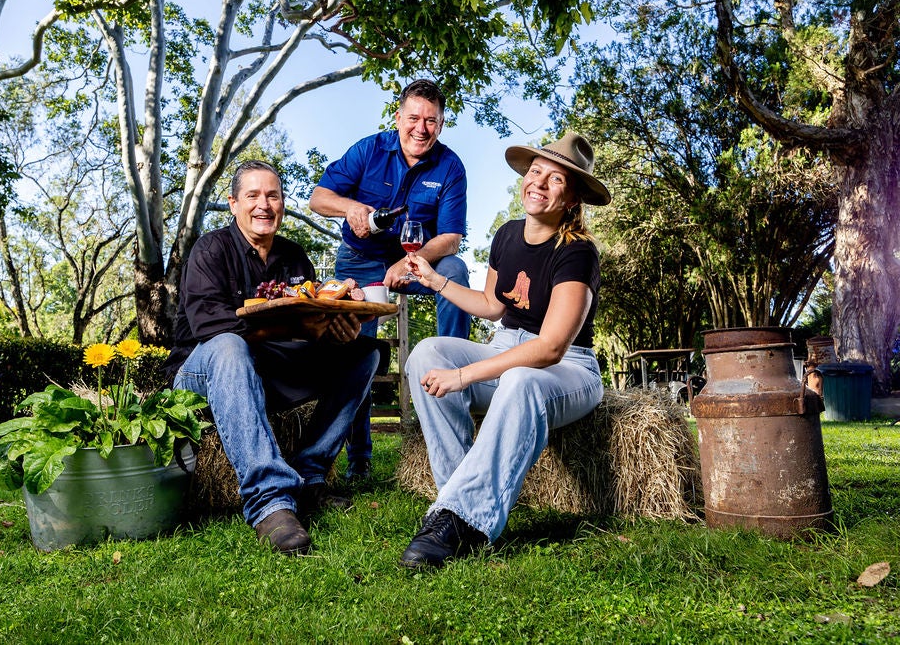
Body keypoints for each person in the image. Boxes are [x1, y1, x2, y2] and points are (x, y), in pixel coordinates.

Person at [397, 132, 611, 569]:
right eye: (536, 172)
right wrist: (436, 281)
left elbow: (550, 347)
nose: (539, 183)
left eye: (556, 180)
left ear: (572, 199)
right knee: (425, 353)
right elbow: (495, 307)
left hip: (568, 371)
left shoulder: (578, 252)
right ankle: (453, 507)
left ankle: (463, 520)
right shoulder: (507, 235)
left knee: (520, 379)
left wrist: (463, 377)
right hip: (507, 349)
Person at [162, 160, 379, 556]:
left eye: (273, 196)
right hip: (200, 374)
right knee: (230, 345)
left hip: (269, 371)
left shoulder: (295, 258)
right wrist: (299, 328)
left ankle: (310, 478)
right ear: (232, 204)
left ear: (282, 203)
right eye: (253, 196)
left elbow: (311, 327)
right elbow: (211, 328)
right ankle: (271, 502)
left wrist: (340, 327)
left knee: (364, 354)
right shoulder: (211, 249)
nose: (264, 205)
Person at [309, 79, 472, 480]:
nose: (421, 128)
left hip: (418, 261)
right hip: (358, 260)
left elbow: (450, 238)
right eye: (413, 117)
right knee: (355, 349)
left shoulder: (451, 167)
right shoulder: (368, 149)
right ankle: (359, 459)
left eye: (431, 121)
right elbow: (317, 198)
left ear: (442, 124)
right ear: (398, 117)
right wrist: (350, 208)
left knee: (455, 271)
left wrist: (411, 260)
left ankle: (455, 378)